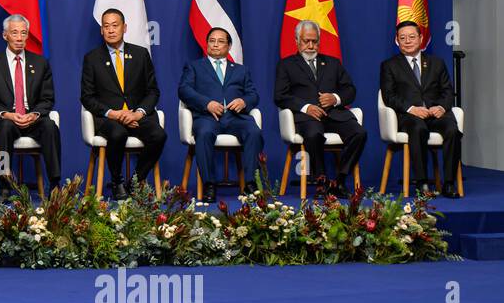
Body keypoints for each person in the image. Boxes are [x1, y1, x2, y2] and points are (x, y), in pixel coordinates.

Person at [273, 19, 366, 195]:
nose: (310, 45)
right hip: (307, 117)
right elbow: (280, 96)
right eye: (306, 41)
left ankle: (339, 180)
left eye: (314, 41)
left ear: (319, 42)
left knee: (359, 133)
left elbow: (350, 90)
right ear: (297, 41)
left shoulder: (333, 63)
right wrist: (305, 107)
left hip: (334, 115)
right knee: (314, 134)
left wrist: (336, 98)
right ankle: (321, 181)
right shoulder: (286, 65)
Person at [80, 9, 166, 199]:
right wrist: (112, 113)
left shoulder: (141, 54)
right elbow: (87, 97)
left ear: (124, 27)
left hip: (136, 116)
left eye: (115, 25)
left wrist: (138, 113)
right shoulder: (92, 58)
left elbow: (153, 91)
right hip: (110, 119)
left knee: (159, 135)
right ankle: (117, 181)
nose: (110, 30)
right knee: (118, 133)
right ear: (101, 30)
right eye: (106, 26)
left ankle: (134, 181)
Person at [178, 26, 262, 202]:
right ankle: (209, 184)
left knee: (253, 131)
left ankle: (250, 183)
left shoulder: (241, 70)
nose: (215, 45)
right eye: (212, 41)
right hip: (207, 117)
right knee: (205, 133)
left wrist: (244, 102)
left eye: (221, 41)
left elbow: (253, 95)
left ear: (229, 46)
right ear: (207, 43)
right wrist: (206, 103)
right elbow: (184, 90)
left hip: (235, 117)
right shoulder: (194, 66)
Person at [0, 14, 61, 195]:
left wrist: (35, 115)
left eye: (23, 33)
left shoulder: (40, 63)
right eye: (14, 33)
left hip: (33, 120)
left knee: (50, 126)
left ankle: (55, 184)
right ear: (4, 35)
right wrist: (7, 114)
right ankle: (5, 183)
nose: (19, 38)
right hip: (7, 119)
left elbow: (48, 98)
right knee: (5, 128)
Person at [379, 20, 462, 198]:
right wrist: (411, 109)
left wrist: (441, 107)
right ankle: (422, 183)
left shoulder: (437, 63)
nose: (407, 41)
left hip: (436, 114)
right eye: (403, 38)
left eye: (411, 37)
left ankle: (448, 184)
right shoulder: (390, 65)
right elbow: (388, 95)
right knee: (418, 129)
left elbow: (448, 91)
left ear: (421, 38)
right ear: (397, 41)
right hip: (409, 117)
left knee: (453, 131)